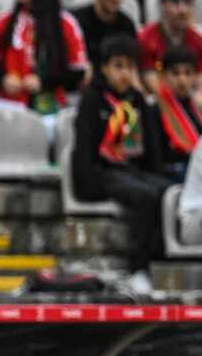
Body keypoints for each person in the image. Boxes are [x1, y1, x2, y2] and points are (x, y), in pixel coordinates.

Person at [75, 36, 175, 291]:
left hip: (130, 171)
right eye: (118, 66)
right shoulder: (92, 99)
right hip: (101, 172)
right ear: (105, 68)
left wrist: (142, 100)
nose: (124, 74)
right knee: (144, 196)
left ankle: (161, 262)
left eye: (130, 67)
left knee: (167, 191)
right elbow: (84, 150)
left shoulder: (136, 101)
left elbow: (150, 150)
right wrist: (90, 181)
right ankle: (137, 269)